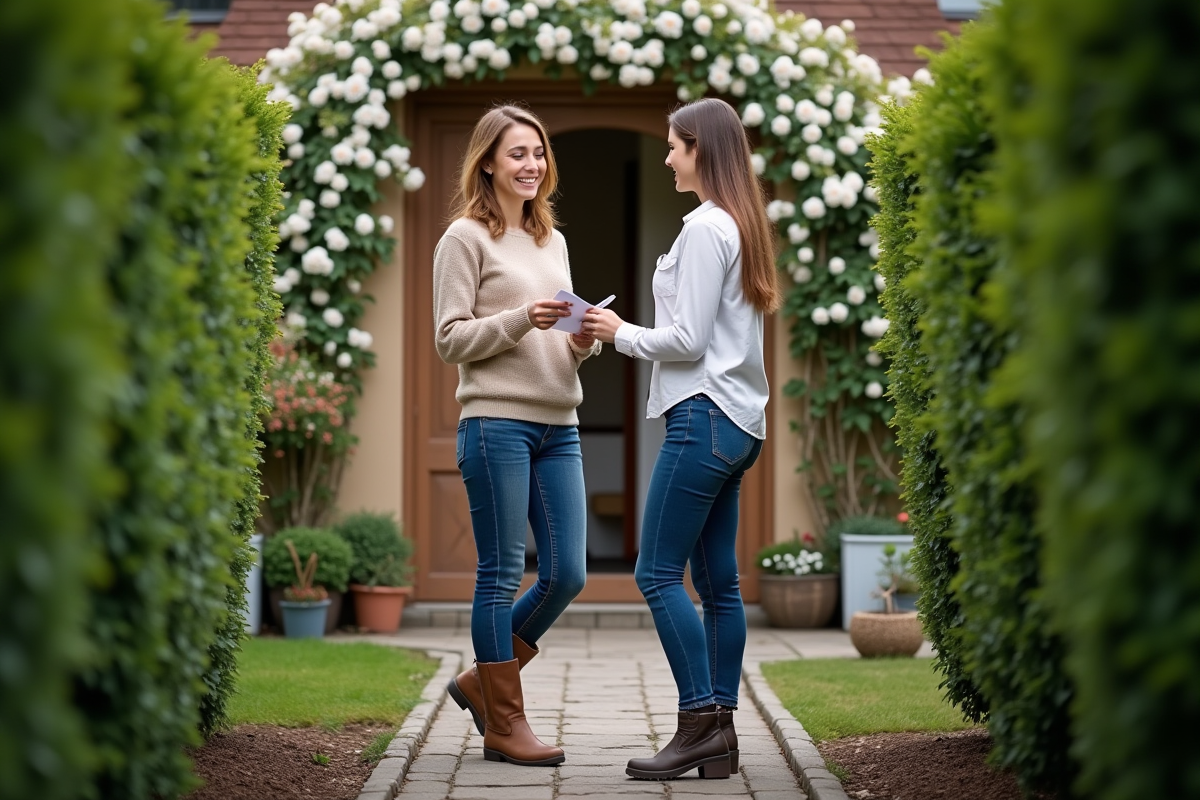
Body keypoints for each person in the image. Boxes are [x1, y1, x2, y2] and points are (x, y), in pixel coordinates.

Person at [581, 97, 781, 781]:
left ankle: (699, 721)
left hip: (701, 420)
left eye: (674, 146)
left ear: (702, 150)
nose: (666, 156)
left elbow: (688, 340)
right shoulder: (742, 225)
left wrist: (618, 334)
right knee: (718, 585)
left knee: (656, 573)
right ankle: (718, 736)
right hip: (739, 425)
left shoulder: (704, 228)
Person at [433, 105, 600, 767]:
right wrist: (518, 320)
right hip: (494, 422)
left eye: (538, 153)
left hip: (560, 424)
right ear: (488, 163)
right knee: (500, 575)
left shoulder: (551, 240)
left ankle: (482, 681)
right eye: (517, 154)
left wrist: (582, 342)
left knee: (567, 574)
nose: (531, 165)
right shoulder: (463, 238)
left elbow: (555, 340)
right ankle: (504, 722)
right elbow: (450, 339)